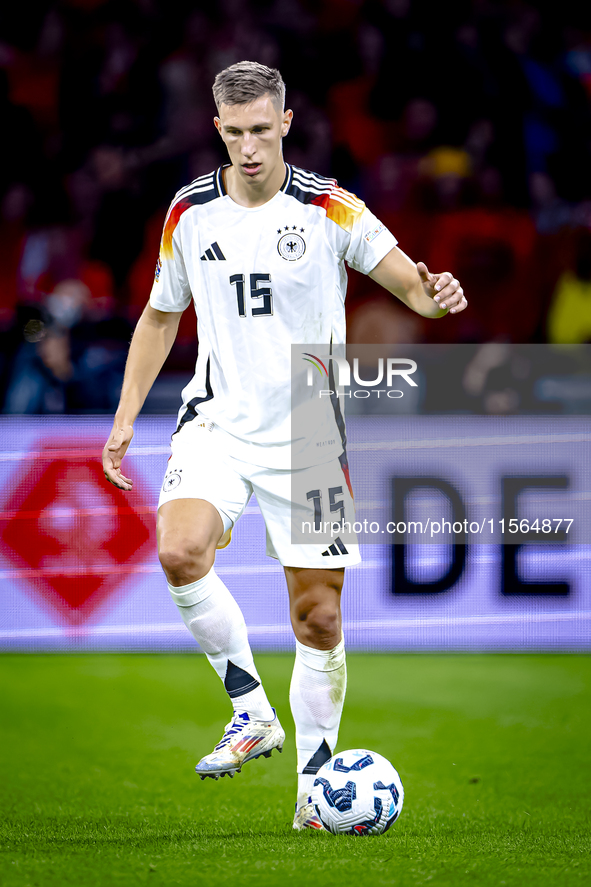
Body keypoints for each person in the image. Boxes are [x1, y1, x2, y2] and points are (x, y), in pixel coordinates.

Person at [102, 61, 467, 831]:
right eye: (234, 134)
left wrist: (433, 295)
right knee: (179, 549)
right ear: (217, 131)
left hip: (309, 429)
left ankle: (312, 788)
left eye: (261, 131)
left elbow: (407, 284)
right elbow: (160, 314)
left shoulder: (331, 207)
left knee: (318, 620)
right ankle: (249, 708)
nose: (249, 148)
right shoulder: (189, 211)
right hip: (217, 420)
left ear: (286, 124)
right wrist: (126, 414)